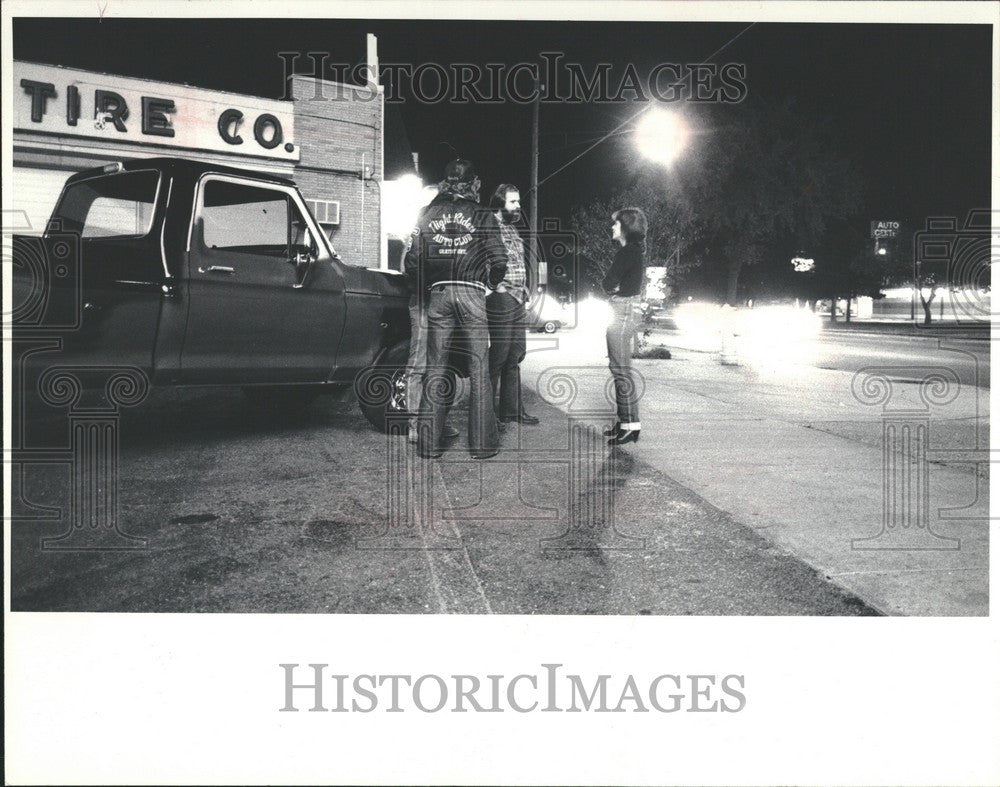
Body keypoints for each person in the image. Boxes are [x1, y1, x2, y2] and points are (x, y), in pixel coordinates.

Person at [403, 159, 508, 460]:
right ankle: (483, 446)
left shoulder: (426, 214)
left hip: (438, 294)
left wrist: (429, 287)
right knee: (479, 369)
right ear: (473, 183)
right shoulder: (482, 214)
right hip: (473, 294)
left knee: (435, 368)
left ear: (446, 182)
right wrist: (489, 282)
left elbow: (412, 261)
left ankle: (428, 445)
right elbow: (499, 260)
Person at [486, 184, 539, 427]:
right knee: (498, 356)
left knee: (515, 354)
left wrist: (525, 289)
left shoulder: (511, 228)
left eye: (518, 201)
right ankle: (487, 414)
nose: (518, 206)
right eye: (513, 202)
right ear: (500, 203)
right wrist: (496, 287)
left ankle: (512, 411)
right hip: (501, 297)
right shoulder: (489, 226)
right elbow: (484, 258)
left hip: (518, 297)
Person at [602, 207, 647, 446]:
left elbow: (607, 282)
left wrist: (614, 289)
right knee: (621, 368)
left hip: (622, 312)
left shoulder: (626, 253)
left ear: (626, 228)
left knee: (620, 370)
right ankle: (628, 424)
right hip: (628, 311)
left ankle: (629, 426)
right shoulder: (634, 252)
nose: (612, 227)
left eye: (616, 223)